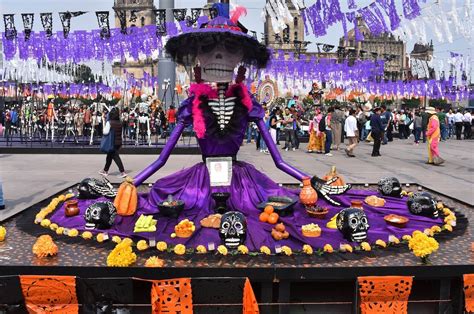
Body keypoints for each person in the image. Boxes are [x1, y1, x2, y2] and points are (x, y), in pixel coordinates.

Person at [99, 108, 127, 177]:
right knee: (109, 157)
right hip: (118, 142)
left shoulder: (109, 122)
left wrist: (103, 123)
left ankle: (122, 172)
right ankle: (105, 170)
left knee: (115, 157)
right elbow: (121, 133)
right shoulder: (120, 122)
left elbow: (105, 132)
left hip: (112, 143)